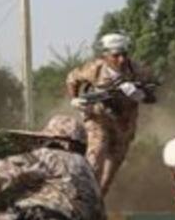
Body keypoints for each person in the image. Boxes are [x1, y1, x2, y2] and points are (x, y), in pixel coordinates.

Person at [67, 32, 157, 196]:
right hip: (98, 120)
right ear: (105, 55)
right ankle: (84, 197)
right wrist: (74, 100)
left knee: (109, 175)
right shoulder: (95, 68)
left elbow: (153, 94)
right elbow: (72, 79)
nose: (121, 60)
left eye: (124, 54)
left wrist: (139, 94)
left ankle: (97, 202)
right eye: (116, 56)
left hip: (124, 126)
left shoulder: (137, 70)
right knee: (95, 160)